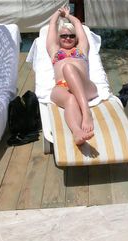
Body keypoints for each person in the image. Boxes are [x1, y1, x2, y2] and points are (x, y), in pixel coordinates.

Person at [46, 5, 98, 145]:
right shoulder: (54, 51)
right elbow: (52, 24)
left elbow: (77, 24)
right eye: (63, 35)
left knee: (68, 68)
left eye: (71, 36)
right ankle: (77, 132)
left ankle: (86, 112)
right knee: (70, 99)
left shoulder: (81, 49)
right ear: (59, 37)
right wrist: (58, 13)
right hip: (62, 87)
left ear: (76, 38)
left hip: (84, 84)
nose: (67, 38)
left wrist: (68, 16)